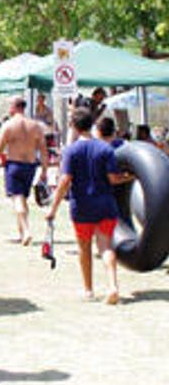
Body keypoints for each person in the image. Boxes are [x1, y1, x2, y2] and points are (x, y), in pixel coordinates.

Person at [46, 108, 130, 305]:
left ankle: (88, 290)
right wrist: (131, 177)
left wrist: (53, 208)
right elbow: (113, 179)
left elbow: (65, 180)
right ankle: (112, 286)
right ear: (92, 124)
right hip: (105, 204)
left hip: (82, 206)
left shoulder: (71, 151)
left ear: (73, 126)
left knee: (84, 249)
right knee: (105, 246)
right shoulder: (105, 149)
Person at [0, 97, 49, 246]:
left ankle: (26, 231)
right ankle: (22, 232)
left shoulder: (9, 125)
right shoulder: (36, 126)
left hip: (14, 165)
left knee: (17, 198)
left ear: (14, 107)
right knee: (23, 199)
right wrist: (44, 171)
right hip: (30, 166)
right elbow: (44, 150)